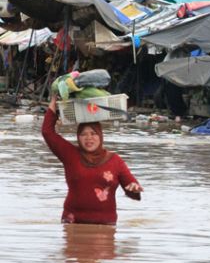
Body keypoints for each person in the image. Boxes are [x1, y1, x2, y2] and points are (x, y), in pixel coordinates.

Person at [42, 95, 143, 225]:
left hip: (105, 227)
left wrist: (134, 188)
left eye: (93, 134)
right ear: (78, 137)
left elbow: (131, 185)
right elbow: (47, 132)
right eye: (83, 134)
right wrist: (53, 105)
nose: (88, 138)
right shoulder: (70, 154)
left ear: (100, 136)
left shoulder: (115, 160)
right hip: (72, 223)